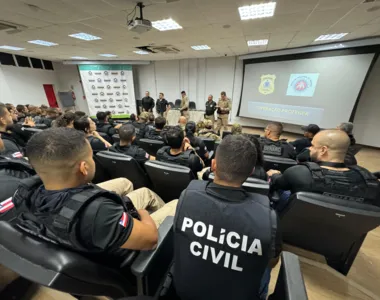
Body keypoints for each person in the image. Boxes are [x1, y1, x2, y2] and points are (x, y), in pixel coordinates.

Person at [13, 128, 178, 268]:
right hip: (127, 251)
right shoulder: (99, 211)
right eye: (91, 157)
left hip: (85, 226)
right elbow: (151, 239)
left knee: (136, 188)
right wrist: (142, 213)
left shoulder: (24, 192)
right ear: (84, 168)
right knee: (176, 203)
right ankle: (170, 235)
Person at [173, 135, 281, 300]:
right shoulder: (269, 217)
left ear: (214, 164)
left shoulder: (187, 195)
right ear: (251, 171)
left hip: (184, 292)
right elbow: (272, 262)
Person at [268, 130, 380, 211]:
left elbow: (278, 183)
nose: (310, 149)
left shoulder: (299, 173)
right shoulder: (371, 183)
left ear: (323, 150)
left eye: (312, 145)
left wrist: (274, 175)